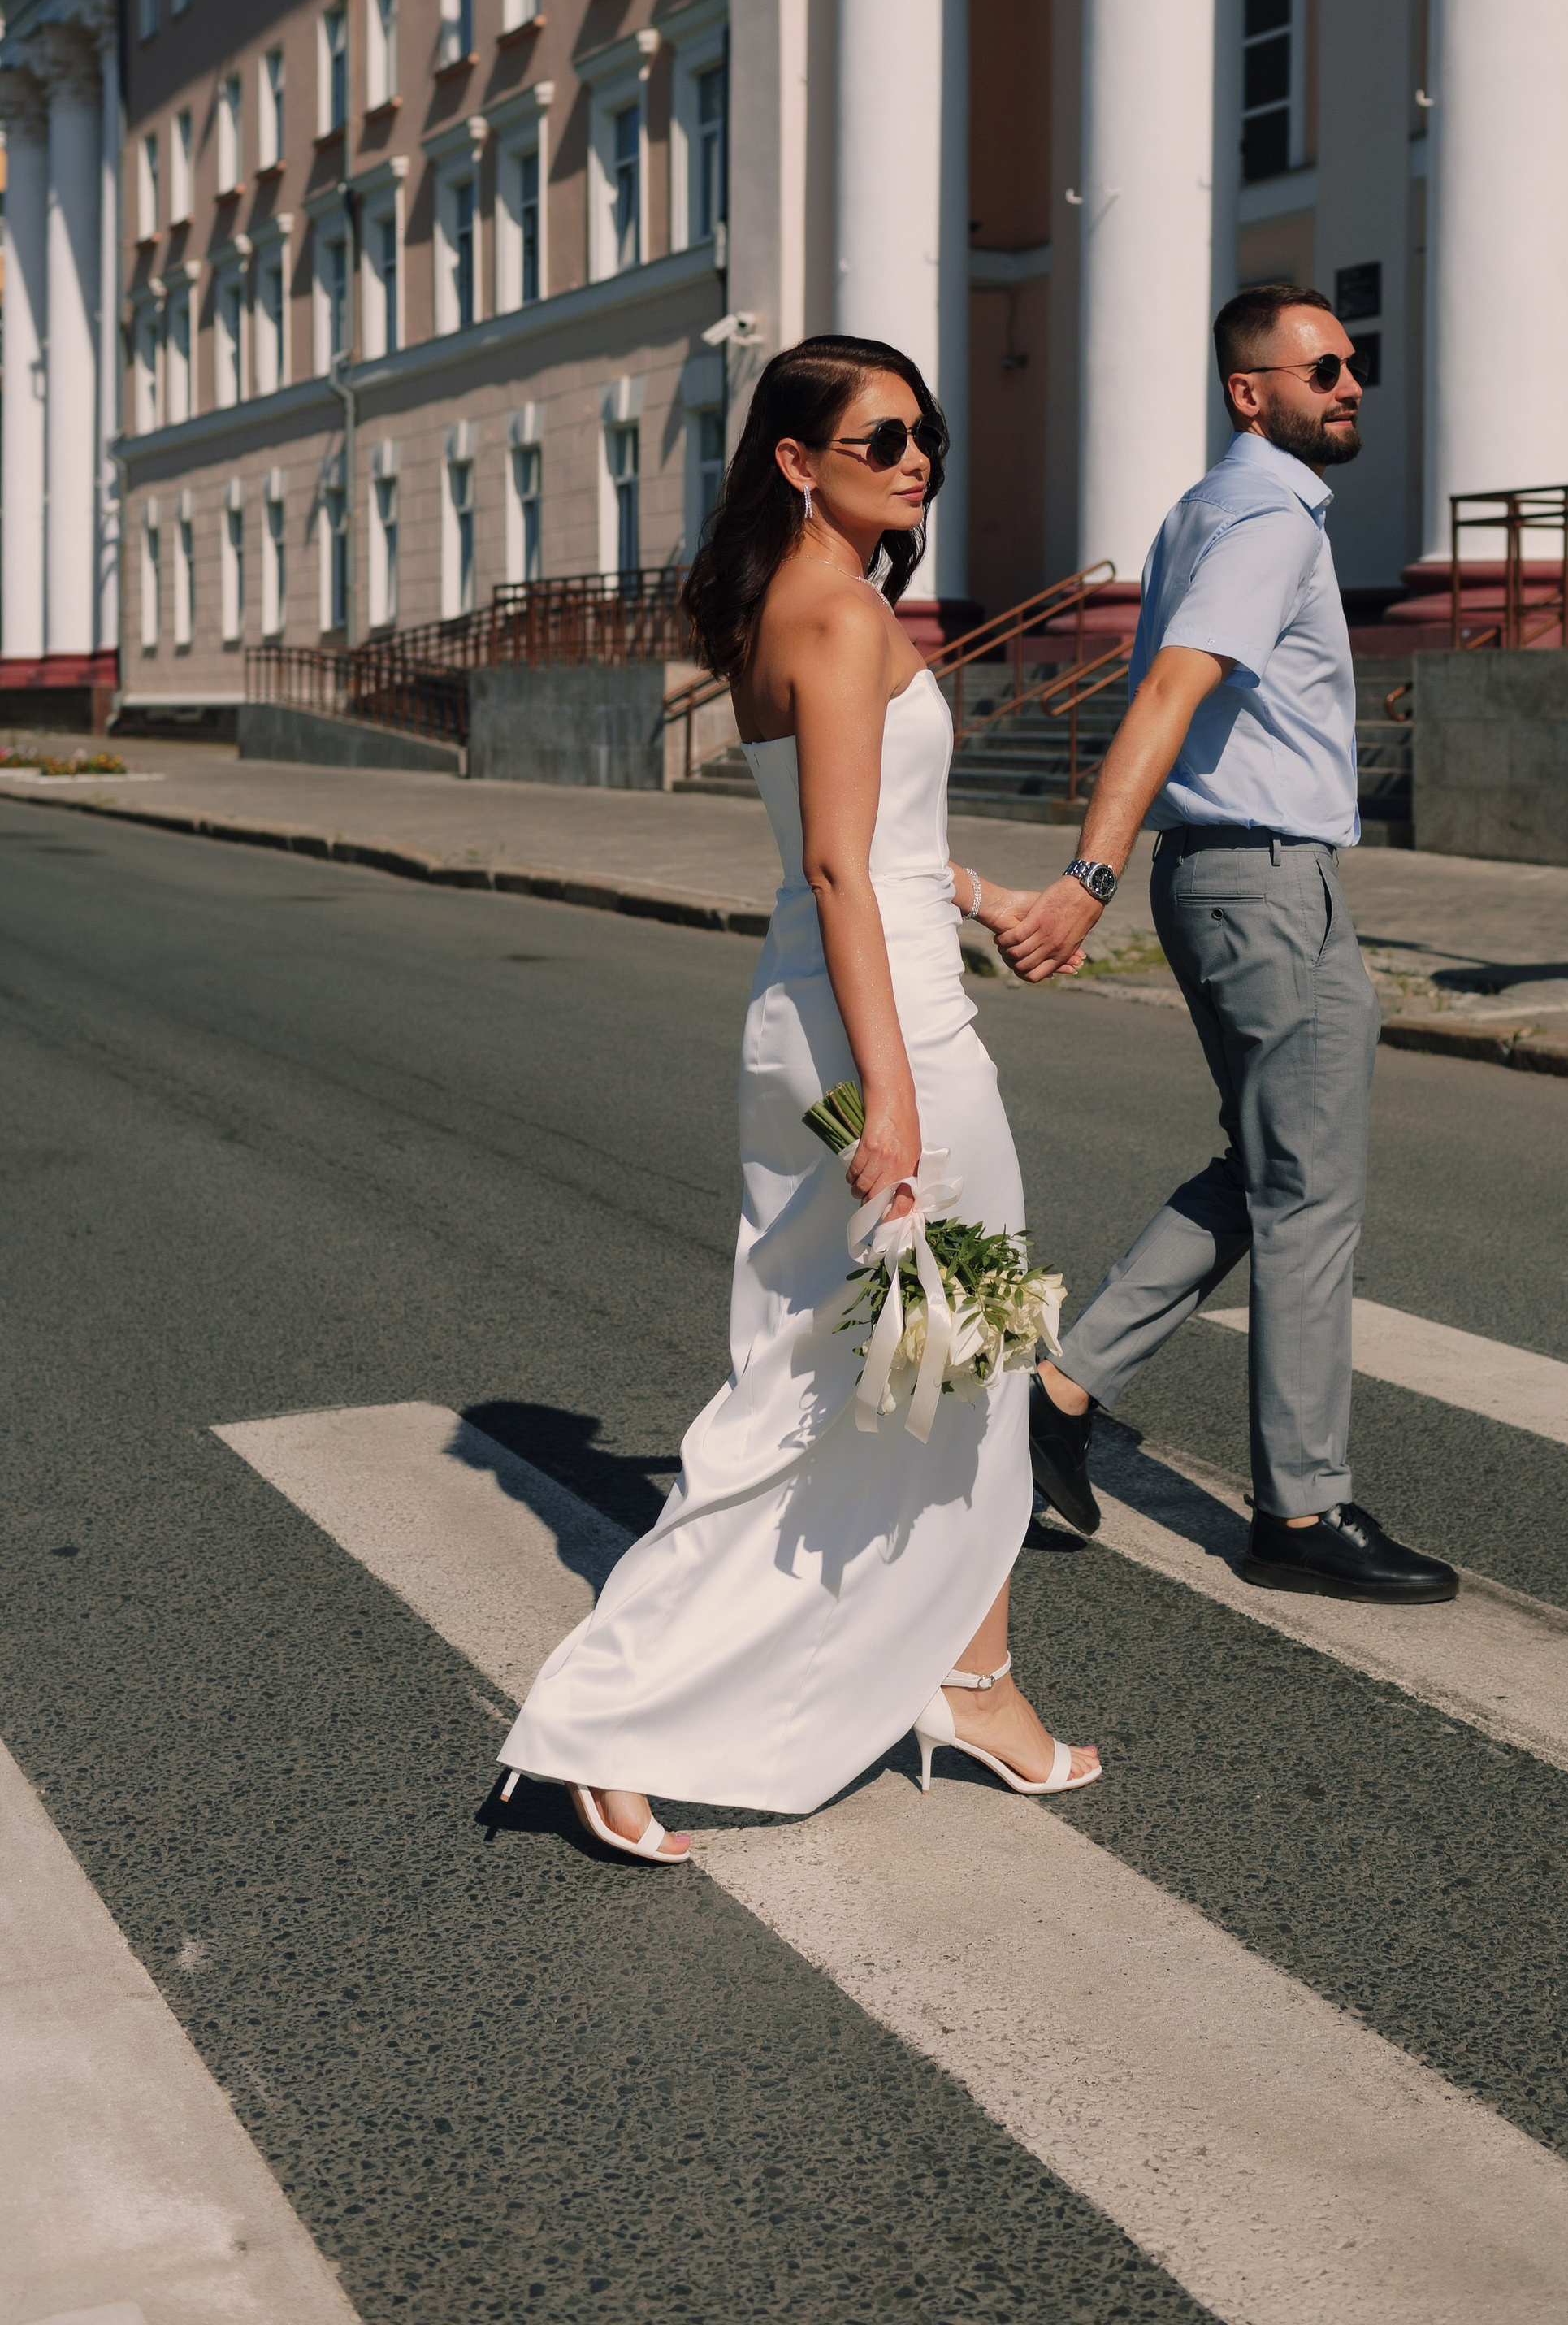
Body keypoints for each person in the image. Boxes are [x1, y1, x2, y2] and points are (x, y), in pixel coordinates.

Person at [497, 335, 1098, 1859]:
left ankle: (975, 1682)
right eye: (883, 438)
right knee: (849, 1379)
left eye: (927, 438)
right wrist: (892, 1104)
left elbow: (858, 844)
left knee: (959, 1357)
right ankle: (614, 1717)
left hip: (846, 995)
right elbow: (837, 867)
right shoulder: (833, 613)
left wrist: (975, 889)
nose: (916, 461)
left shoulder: (809, 604)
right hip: (875, 1029)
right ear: (796, 459)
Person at [1002, 284, 1458, 1607]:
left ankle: (1057, 1393)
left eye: (1354, 362)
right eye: (1322, 368)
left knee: (1268, 1166)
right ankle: (1301, 1513)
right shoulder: (1264, 520)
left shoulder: (1206, 507)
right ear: (1251, 392)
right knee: (1309, 1200)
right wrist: (1087, 868)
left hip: (1222, 879)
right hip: (1264, 876)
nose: (1350, 382)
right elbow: (1170, 688)